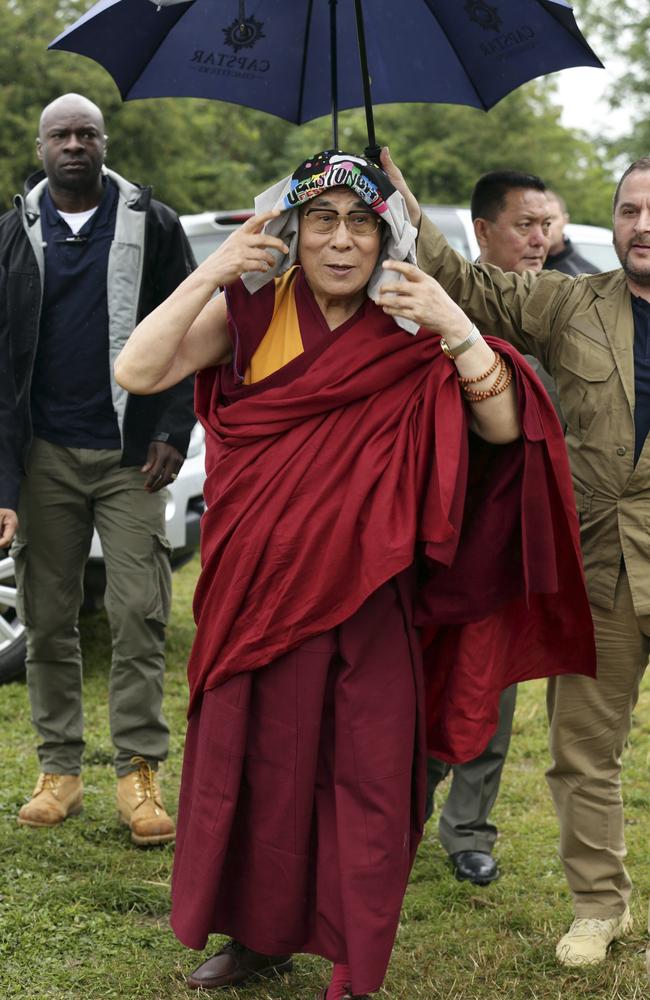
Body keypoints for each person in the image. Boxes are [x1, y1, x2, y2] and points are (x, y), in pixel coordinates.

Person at [115, 149, 594, 998]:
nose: (342, 242)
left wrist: (456, 324)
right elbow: (139, 370)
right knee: (255, 767)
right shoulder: (251, 311)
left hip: (370, 595)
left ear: (386, 236)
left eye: (362, 224)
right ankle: (258, 937)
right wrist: (212, 271)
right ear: (294, 232)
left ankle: (352, 958)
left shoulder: (409, 320)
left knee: (364, 780)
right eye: (323, 222)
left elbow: (501, 427)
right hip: (255, 589)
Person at [382, 147, 650, 967]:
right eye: (633, 210)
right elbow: (467, 287)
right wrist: (406, 211)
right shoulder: (571, 302)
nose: (644, 226)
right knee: (581, 754)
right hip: (600, 566)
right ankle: (600, 908)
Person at [0, 93, 196, 845]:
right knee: (48, 618)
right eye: (61, 134)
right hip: (44, 454)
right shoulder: (13, 235)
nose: (74, 144)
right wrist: (4, 481)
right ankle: (60, 773)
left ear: (104, 143)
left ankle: (138, 776)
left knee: (138, 612)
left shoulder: (154, 222)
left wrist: (175, 427)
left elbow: (190, 326)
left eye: (86, 133)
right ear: (42, 145)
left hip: (130, 456)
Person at [426, 170, 553, 888]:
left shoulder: (563, 303)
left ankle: (469, 827)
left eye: (547, 225)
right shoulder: (437, 302)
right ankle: (402, 803)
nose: (540, 238)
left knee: (491, 682)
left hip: (518, 533)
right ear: (482, 231)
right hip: (447, 526)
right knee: (424, 673)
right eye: (524, 224)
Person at [544, 191, 599, 276]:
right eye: (539, 220)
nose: (546, 225)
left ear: (565, 220)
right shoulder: (519, 266)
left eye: (552, 218)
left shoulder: (587, 276)